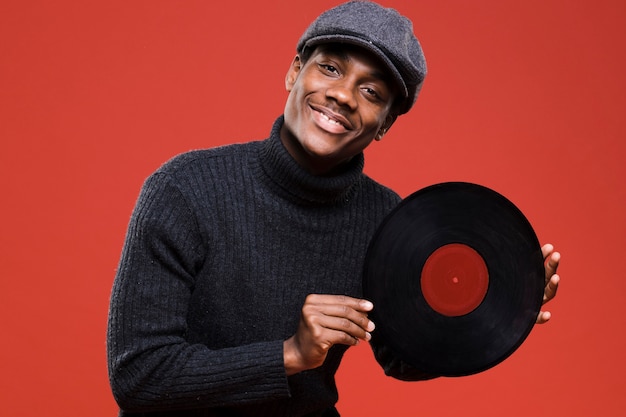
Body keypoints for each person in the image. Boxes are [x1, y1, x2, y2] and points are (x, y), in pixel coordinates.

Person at [107, 1, 560, 416]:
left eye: (372, 92)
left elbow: (404, 354)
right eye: (330, 68)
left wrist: (497, 315)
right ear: (294, 72)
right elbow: (138, 375)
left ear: (384, 125)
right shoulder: (184, 188)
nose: (344, 95)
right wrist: (290, 354)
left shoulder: (388, 220)